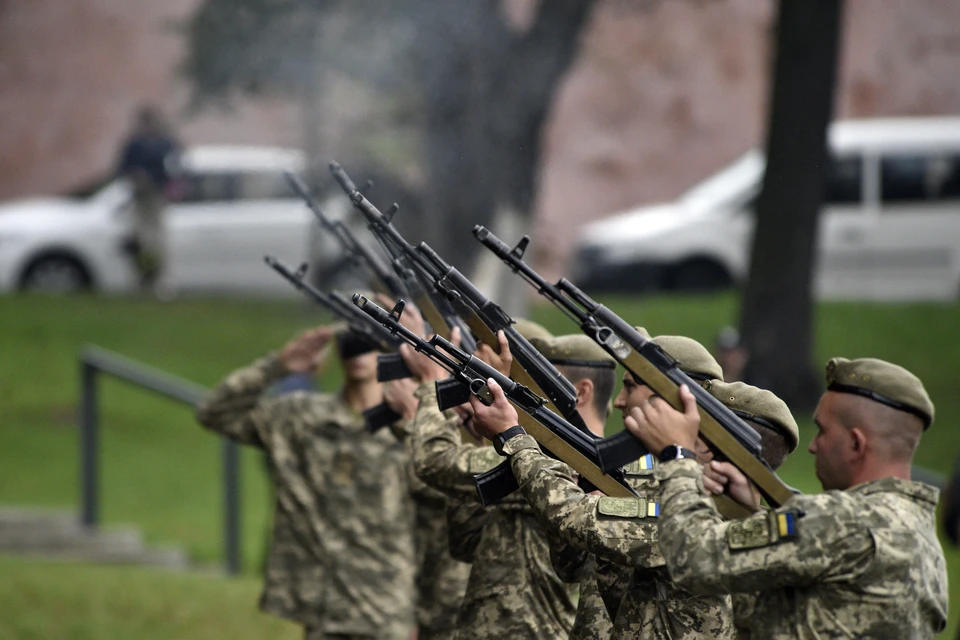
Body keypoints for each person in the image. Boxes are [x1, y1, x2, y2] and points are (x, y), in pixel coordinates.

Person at [469, 335, 798, 640]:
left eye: (696, 428)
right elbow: (575, 561)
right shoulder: (749, 528)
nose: (620, 401)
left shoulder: (688, 520)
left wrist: (514, 437)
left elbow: (571, 516)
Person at [623, 356, 948, 638]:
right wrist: (751, 513)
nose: (813, 446)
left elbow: (693, 557)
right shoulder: (917, 533)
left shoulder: (841, 520)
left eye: (822, 430)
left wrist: (678, 456)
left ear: (856, 444)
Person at [195, 325, 416, 640]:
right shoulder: (299, 416)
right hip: (321, 605)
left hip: (388, 607)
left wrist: (425, 614)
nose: (359, 354)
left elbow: (435, 521)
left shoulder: (410, 427)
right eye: (350, 343)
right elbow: (213, 412)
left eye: (369, 343)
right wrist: (276, 367)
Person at [396, 324, 594, 640]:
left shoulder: (545, 461)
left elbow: (432, 461)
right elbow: (465, 540)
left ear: (580, 392)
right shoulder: (526, 455)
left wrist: (431, 386)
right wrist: (482, 426)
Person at [116, 105, 180, 291]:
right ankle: (141, 279)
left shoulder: (165, 144)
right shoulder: (133, 144)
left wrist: (153, 179)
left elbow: (174, 168)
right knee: (139, 240)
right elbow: (121, 168)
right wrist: (134, 177)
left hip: (156, 196)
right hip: (137, 197)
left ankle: (160, 279)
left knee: (157, 240)